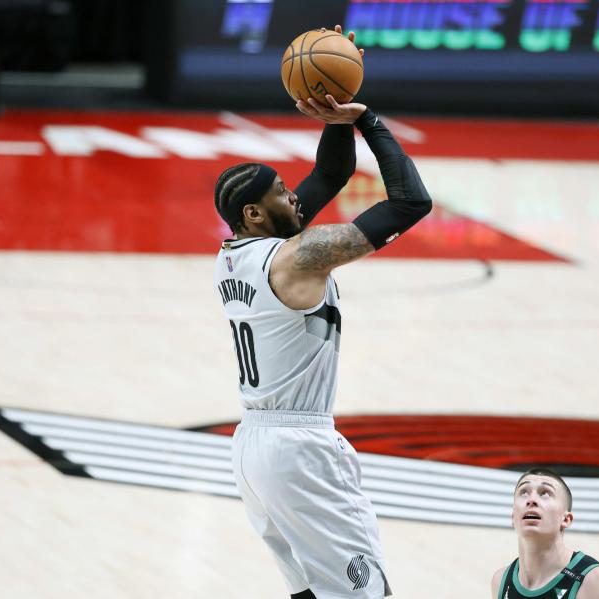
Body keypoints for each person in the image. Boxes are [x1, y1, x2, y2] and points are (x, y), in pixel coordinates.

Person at [212, 25, 431, 599]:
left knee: (312, 594)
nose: (296, 198)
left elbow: (332, 174)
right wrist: (369, 120)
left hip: (254, 450)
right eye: (283, 194)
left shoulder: (234, 253)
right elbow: (411, 202)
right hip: (298, 449)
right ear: (256, 215)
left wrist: (336, 119)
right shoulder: (296, 259)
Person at [491, 468, 599, 599]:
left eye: (545, 493)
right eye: (524, 492)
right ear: (512, 518)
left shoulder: (598, 582)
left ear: (566, 519)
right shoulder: (500, 581)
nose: (531, 500)